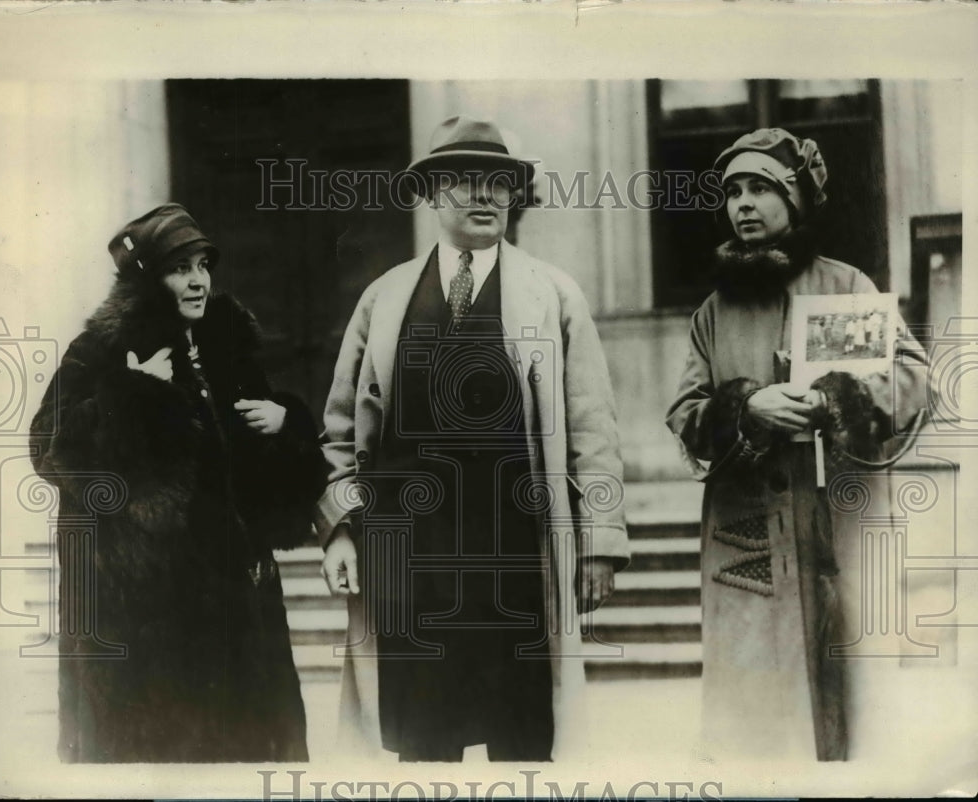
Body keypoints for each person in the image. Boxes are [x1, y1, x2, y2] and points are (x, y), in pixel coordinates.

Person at [315, 115, 629, 762]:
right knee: (421, 735)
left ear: (514, 196)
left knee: (523, 734)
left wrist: (599, 543)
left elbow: (593, 430)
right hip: (409, 552)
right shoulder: (385, 297)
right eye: (462, 183)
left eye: (497, 183)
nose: (483, 197)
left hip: (514, 548)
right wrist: (341, 529)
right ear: (430, 194)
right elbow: (342, 433)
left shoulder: (554, 295)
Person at [29, 204, 326, 762]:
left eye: (203, 265)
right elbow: (47, 448)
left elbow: (266, 479)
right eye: (179, 268)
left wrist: (288, 422)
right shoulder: (101, 349)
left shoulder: (226, 347)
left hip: (238, 597)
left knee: (245, 754)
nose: (197, 280)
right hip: (149, 609)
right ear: (145, 278)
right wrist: (130, 395)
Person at [665, 128, 928, 761]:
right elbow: (683, 410)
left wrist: (835, 395)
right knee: (761, 727)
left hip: (842, 523)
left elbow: (914, 379)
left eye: (761, 188)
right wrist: (745, 406)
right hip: (749, 537)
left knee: (856, 708)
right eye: (733, 192)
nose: (743, 204)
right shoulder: (713, 312)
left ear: (798, 199)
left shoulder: (848, 287)